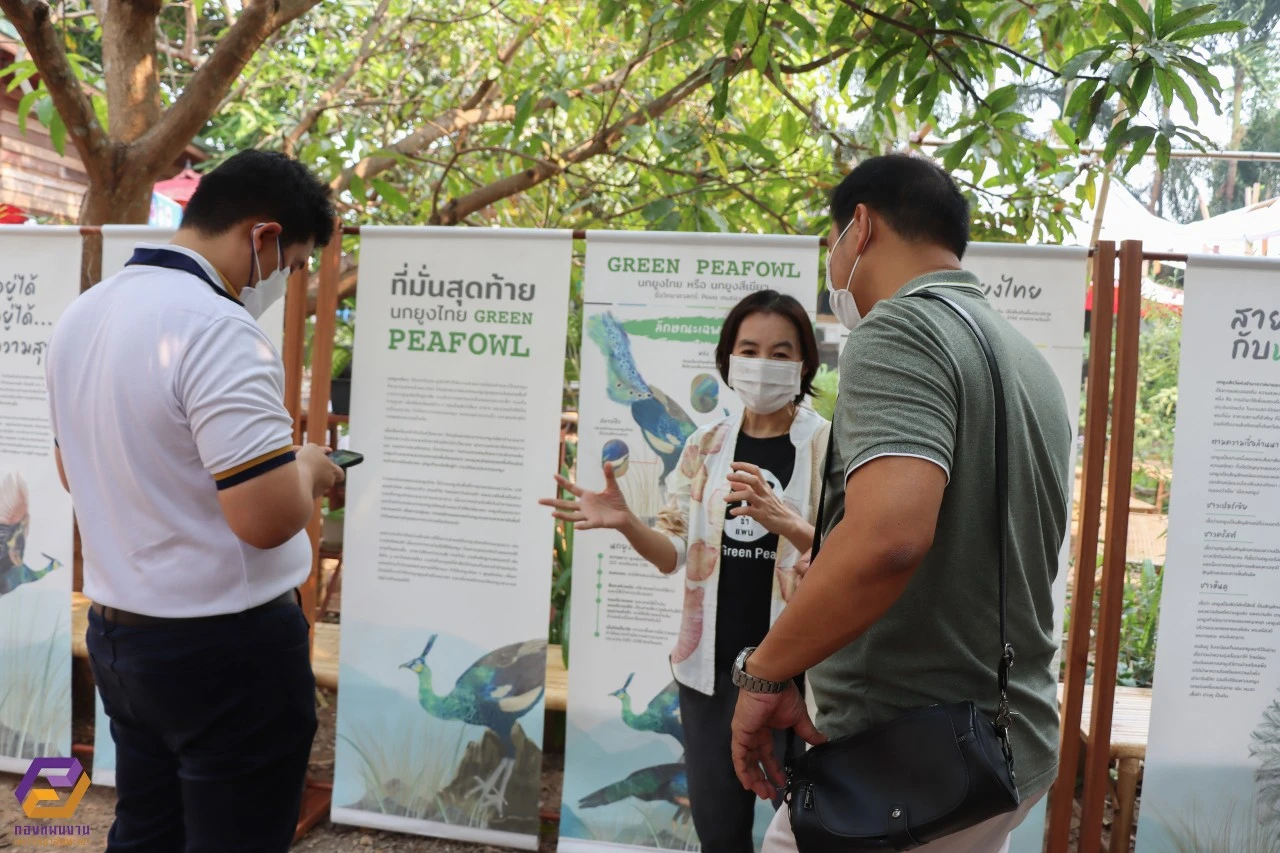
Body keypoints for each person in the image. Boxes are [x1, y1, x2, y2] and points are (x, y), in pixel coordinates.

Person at [728, 154, 1072, 853]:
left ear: (860, 227)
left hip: (904, 763)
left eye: (831, 241)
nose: (832, 265)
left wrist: (762, 673)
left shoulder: (899, 330)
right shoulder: (1025, 361)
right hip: (1002, 744)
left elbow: (888, 537)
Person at [46, 150, 344, 853]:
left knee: (148, 830)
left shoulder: (83, 315)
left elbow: (71, 470)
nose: (285, 280)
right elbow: (266, 519)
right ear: (263, 236)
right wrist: (308, 466)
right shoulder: (219, 328)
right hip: (225, 651)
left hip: (123, 640)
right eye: (295, 263)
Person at [542, 291, 831, 853]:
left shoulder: (828, 445)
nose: (763, 364)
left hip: (804, 679)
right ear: (727, 361)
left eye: (781, 352)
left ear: (803, 365)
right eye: (750, 350)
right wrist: (628, 522)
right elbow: (674, 550)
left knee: (811, 833)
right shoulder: (706, 446)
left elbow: (848, 556)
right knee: (719, 833)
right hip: (712, 676)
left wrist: (790, 524)